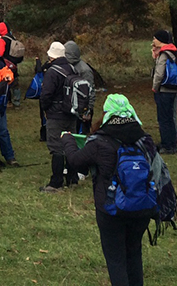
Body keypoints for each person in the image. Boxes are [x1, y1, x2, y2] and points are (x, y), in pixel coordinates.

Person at [61, 95, 157, 286]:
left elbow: (75, 161)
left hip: (111, 208)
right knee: (134, 253)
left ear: (107, 114)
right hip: (142, 207)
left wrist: (68, 140)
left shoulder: (99, 142)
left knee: (116, 259)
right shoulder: (145, 140)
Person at [39, 42, 75, 192]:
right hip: (72, 113)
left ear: (51, 56)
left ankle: (56, 183)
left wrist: (45, 108)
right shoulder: (72, 68)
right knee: (70, 146)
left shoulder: (52, 72)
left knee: (56, 148)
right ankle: (72, 178)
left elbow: (46, 95)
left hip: (56, 114)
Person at [151, 30, 177, 154]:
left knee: (163, 118)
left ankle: (167, 145)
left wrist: (154, 87)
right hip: (173, 89)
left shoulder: (164, 54)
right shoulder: (173, 51)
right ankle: (172, 142)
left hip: (164, 89)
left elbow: (159, 73)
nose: (153, 41)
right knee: (169, 117)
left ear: (160, 40)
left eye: (155, 38)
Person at [64, 41, 97, 134]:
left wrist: (88, 110)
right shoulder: (68, 67)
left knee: (82, 136)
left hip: (83, 108)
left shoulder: (85, 70)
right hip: (72, 106)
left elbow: (91, 91)